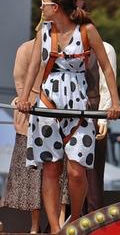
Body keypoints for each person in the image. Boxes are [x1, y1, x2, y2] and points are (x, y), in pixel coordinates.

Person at [16, 0, 120, 233]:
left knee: (76, 171)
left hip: (78, 103)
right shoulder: (45, 31)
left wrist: (115, 101)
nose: (41, 7)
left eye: (44, 3)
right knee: (51, 167)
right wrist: (24, 98)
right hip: (48, 100)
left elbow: (106, 67)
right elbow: (33, 66)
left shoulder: (87, 31)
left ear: (56, 7)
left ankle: (74, 220)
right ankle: (55, 228)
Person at [3, 39, 43, 234]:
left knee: (61, 178)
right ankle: (35, 225)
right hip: (30, 119)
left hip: (59, 119)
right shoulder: (27, 49)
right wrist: (24, 99)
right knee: (32, 177)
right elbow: (19, 79)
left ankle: (57, 222)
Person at [84, 41, 117, 213]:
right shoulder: (62, 45)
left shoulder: (105, 48)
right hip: (68, 111)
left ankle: (92, 216)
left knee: (93, 173)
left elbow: (107, 86)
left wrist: (103, 119)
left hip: (94, 111)